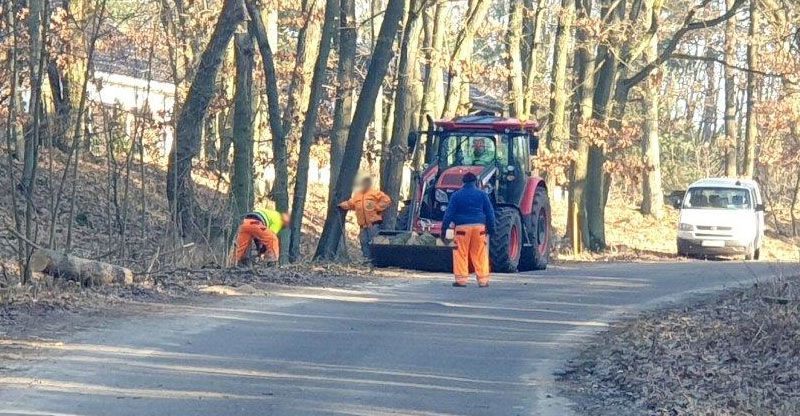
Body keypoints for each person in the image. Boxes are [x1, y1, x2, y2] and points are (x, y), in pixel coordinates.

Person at [441, 172, 496, 287]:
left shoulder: (456, 195)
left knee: (460, 253)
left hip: (462, 228)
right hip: (479, 228)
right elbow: (490, 213)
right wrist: (491, 229)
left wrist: (444, 230)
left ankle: (461, 280)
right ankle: (483, 280)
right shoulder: (482, 195)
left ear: (463, 182)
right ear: (475, 182)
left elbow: (448, 214)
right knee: (480, 253)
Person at [339, 177, 392, 258]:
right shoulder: (357, 196)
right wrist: (340, 205)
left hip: (373, 225)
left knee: (374, 243)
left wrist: (377, 207)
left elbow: (387, 200)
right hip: (363, 226)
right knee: (363, 242)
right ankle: (367, 260)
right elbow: (350, 204)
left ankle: (376, 260)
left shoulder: (375, 193)